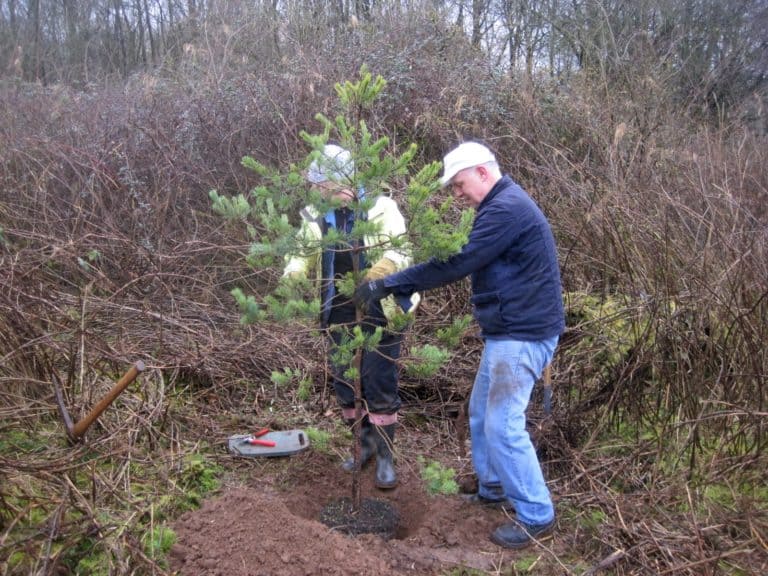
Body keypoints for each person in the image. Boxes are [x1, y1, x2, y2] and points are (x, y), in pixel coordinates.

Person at [355, 141, 564, 548]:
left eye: (459, 184)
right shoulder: (499, 205)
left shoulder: (506, 209)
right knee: (481, 414)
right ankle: (492, 488)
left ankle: (537, 514)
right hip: (508, 332)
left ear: (483, 172)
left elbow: (459, 261)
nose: (456, 194)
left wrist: (388, 282)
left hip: (522, 335)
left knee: (503, 424)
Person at [282, 144, 419, 489]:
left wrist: (378, 274)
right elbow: (302, 253)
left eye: (324, 187)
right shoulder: (317, 215)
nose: (319, 194)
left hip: (380, 310)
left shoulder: (380, 208)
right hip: (339, 310)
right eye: (317, 188)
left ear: (344, 182)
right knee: (345, 381)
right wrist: (293, 274)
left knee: (377, 381)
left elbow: (400, 249)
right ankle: (365, 445)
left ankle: (386, 457)